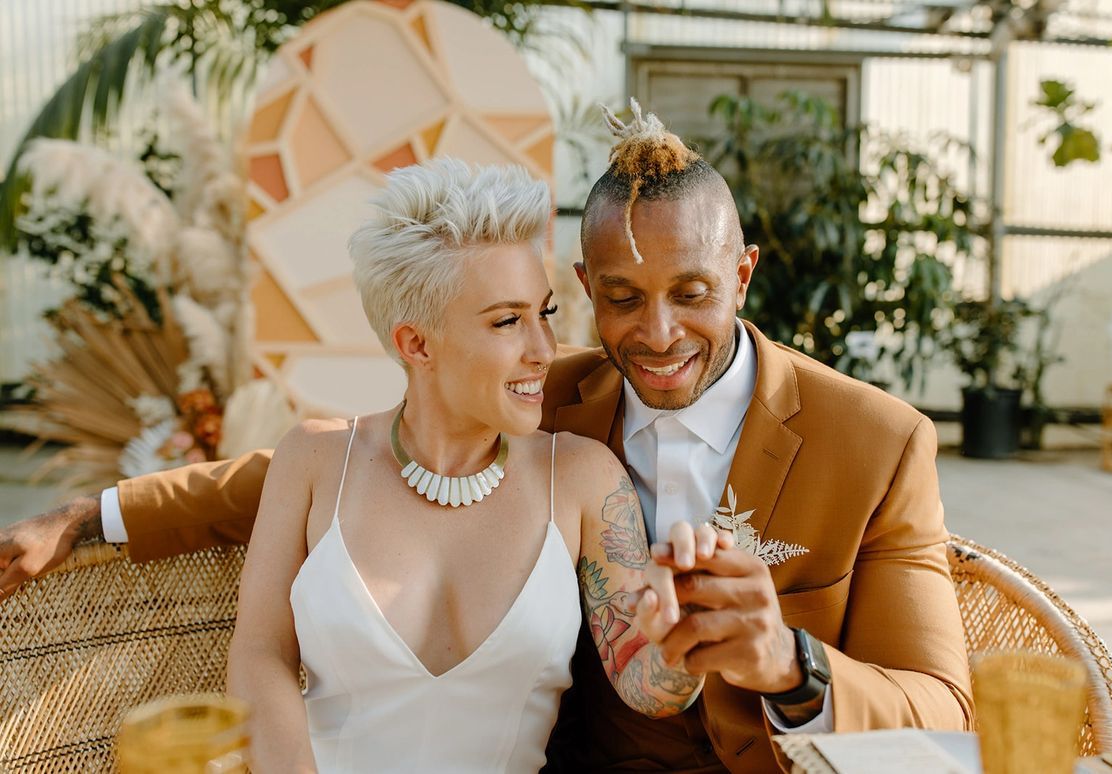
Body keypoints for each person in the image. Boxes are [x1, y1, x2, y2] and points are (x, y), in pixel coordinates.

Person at [1, 102, 973, 772]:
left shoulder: (875, 441)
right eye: (620, 300)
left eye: (692, 293)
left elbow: (939, 710)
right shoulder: (542, 396)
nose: (658, 332)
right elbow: (283, 478)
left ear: (744, 276)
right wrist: (93, 513)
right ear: (588, 291)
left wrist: (780, 663)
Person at [221, 158, 710, 771]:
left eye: (545, 313)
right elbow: (260, 654)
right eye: (508, 321)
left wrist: (685, 642)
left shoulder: (583, 478)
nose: (543, 350)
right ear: (416, 344)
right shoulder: (316, 461)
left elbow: (647, 684)